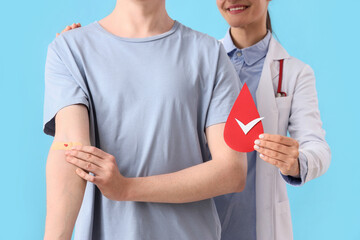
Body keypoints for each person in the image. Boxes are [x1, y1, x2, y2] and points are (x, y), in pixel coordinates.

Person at [56, 0, 331, 239]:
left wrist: (297, 162)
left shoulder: (288, 72)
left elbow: (315, 145)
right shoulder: (205, 55)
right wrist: (89, 50)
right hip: (192, 213)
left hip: (249, 219)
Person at [43, 0, 248, 240]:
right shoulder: (70, 50)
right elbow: (70, 149)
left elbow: (232, 170)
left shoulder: (210, 54)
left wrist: (127, 188)